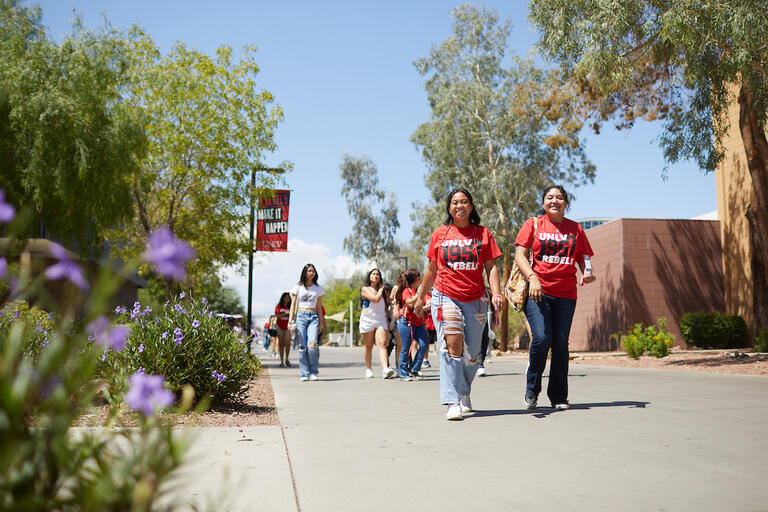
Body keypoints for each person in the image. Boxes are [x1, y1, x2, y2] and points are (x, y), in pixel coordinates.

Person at [415, 188, 502, 420]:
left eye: (464, 202)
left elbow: (491, 267)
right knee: (452, 345)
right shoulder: (440, 234)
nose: (459, 205)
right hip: (445, 296)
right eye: (455, 202)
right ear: (449, 207)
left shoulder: (482, 234)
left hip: (476, 299)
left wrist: (497, 294)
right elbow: (431, 269)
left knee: (473, 354)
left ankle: (464, 392)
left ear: (471, 207)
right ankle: (452, 401)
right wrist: (419, 295)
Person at [514, 185, 596, 410]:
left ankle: (559, 396)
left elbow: (583, 256)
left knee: (560, 344)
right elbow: (520, 255)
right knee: (541, 339)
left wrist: (587, 271)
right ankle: (532, 388)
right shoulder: (534, 224)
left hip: (566, 294)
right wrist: (532, 277)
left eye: (559, 198)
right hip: (537, 292)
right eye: (550, 197)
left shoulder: (575, 229)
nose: (554, 201)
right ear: (543, 203)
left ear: (566, 203)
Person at [287, 263, 327, 381]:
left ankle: (313, 372)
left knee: (313, 345)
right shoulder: (297, 287)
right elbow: (293, 305)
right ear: (305, 272)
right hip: (301, 316)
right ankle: (304, 373)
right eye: (309, 271)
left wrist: (320, 322)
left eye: (313, 271)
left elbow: (319, 307)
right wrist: (290, 321)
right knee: (302, 346)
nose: (312, 273)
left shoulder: (318, 288)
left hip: (313, 317)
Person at [359, 269, 395, 379]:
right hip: (368, 319)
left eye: (378, 274)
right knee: (369, 346)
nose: (376, 276)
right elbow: (375, 299)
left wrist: (388, 318)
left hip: (381, 320)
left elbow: (385, 305)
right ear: (369, 276)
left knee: (382, 344)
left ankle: (385, 369)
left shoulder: (382, 291)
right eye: (373, 274)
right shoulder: (365, 289)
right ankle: (368, 368)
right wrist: (380, 290)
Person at [396, 269, 429, 381]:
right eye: (418, 277)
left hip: (418, 323)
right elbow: (409, 303)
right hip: (407, 323)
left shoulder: (418, 291)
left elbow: (418, 308)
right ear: (414, 279)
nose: (420, 279)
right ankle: (403, 373)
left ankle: (414, 368)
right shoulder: (407, 290)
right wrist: (419, 294)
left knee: (424, 345)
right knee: (406, 348)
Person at [275, 292, 292, 367]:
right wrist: (285, 313)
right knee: (281, 344)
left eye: (288, 297)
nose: (287, 299)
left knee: (287, 343)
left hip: (288, 327)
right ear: (282, 298)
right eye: (285, 297)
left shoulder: (291, 306)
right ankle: (281, 361)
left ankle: (287, 359)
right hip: (280, 326)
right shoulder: (278, 306)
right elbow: (277, 316)